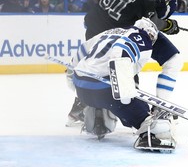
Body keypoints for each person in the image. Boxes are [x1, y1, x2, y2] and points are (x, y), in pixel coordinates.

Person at [67, 0, 183, 138]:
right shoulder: (145, 0)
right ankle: (132, 112)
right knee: (123, 78)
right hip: (123, 31)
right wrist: (167, 25)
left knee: (96, 67)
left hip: (97, 27)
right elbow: (152, 22)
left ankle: (85, 103)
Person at [67, 17, 175, 150]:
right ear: (148, 31)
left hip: (82, 89)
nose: (152, 39)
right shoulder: (142, 37)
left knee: (101, 97)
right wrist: (125, 97)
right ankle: (151, 135)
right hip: (107, 92)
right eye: (152, 35)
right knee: (156, 126)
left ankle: (96, 118)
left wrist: (73, 84)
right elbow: (120, 54)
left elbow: (81, 51)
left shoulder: (110, 32)